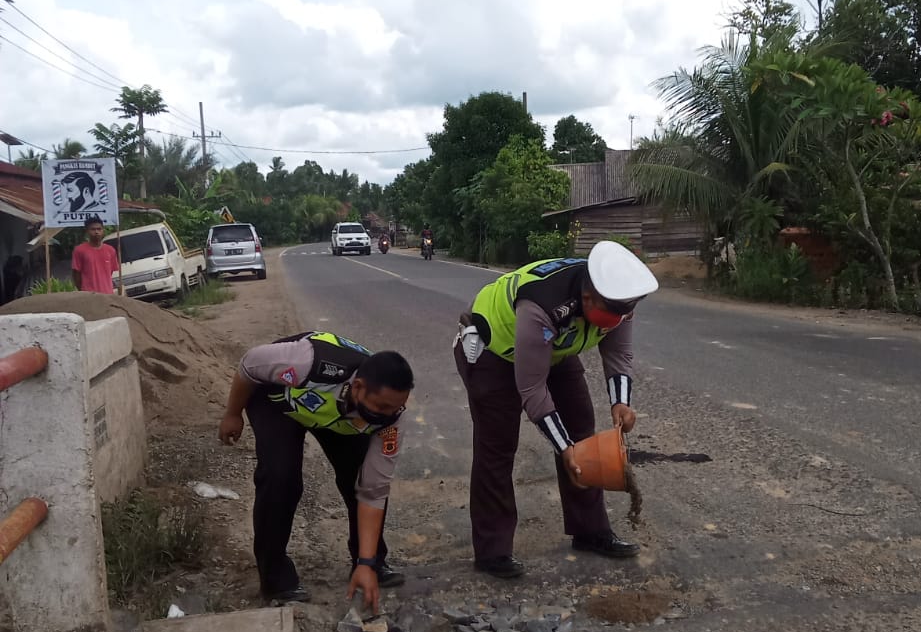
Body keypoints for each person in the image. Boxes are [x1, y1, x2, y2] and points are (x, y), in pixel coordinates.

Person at [454, 242, 659, 579]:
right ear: (588, 298)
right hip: (494, 352)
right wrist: (564, 449)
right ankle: (492, 551)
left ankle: (590, 531)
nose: (616, 322)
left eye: (622, 315)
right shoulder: (543, 304)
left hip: (552, 349)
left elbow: (619, 354)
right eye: (610, 316)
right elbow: (532, 391)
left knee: (581, 428)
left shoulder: (617, 298)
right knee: (497, 447)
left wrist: (620, 401)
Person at [218, 332, 414, 610]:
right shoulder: (307, 363)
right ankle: (275, 579)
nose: (386, 415)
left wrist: (367, 562)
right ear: (357, 387)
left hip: (339, 417)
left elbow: (373, 490)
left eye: (394, 408)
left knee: (357, 480)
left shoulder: (392, 418)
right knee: (280, 478)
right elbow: (250, 365)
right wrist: (232, 413)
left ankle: (369, 563)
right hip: (279, 399)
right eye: (381, 406)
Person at [71, 217, 120, 294]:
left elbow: (109, 272)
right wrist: (83, 291)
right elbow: (76, 274)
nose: (96, 232)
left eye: (99, 229)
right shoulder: (79, 250)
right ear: (87, 231)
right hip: (89, 295)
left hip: (108, 294)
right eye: (93, 229)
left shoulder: (110, 250)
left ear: (103, 230)